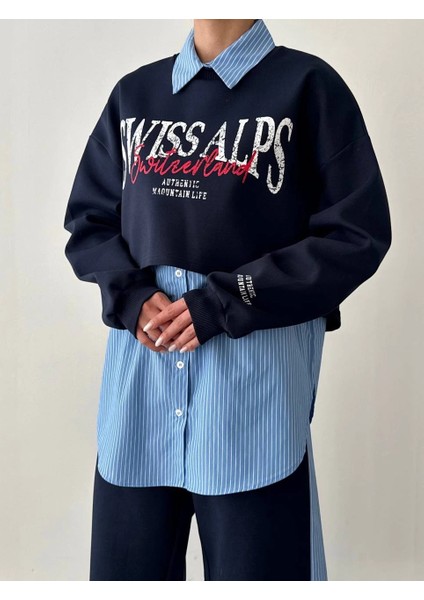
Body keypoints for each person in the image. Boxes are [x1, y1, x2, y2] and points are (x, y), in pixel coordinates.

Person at [63, 19, 392, 581]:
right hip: (139, 397)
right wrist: (131, 295)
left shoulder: (308, 87)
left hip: (252, 408)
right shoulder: (135, 95)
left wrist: (224, 301)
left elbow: (356, 234)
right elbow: (90, 221)